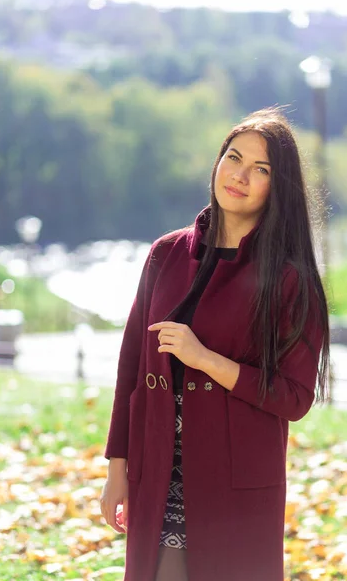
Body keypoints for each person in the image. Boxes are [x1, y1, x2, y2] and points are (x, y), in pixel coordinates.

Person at [100, 107, 330, 581]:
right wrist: (116, 471)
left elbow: (294, 398)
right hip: (156, 471)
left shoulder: (291, 280)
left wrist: (204, 360)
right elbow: (130, 371)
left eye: (260, 169)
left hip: (235, 483)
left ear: (278, 187)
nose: (240, 176)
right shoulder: (165, 254)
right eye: (233, 158)